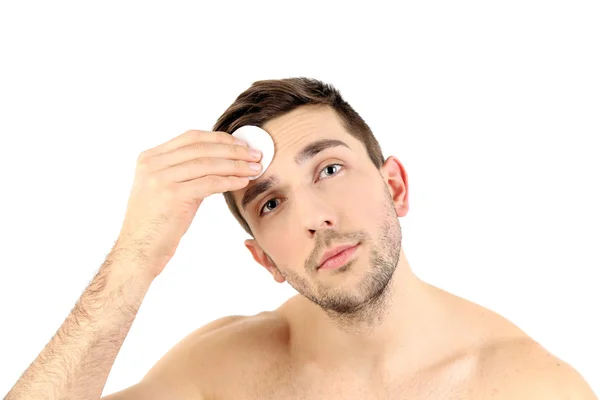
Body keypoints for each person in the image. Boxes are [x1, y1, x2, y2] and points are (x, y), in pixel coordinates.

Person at [5, 77, 596, 400]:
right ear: (265, 259)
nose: (313, 216)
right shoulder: (223, 371)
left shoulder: (531, 388)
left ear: (395, 186)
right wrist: (135, 259)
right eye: (271, 201)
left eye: (329, 169)